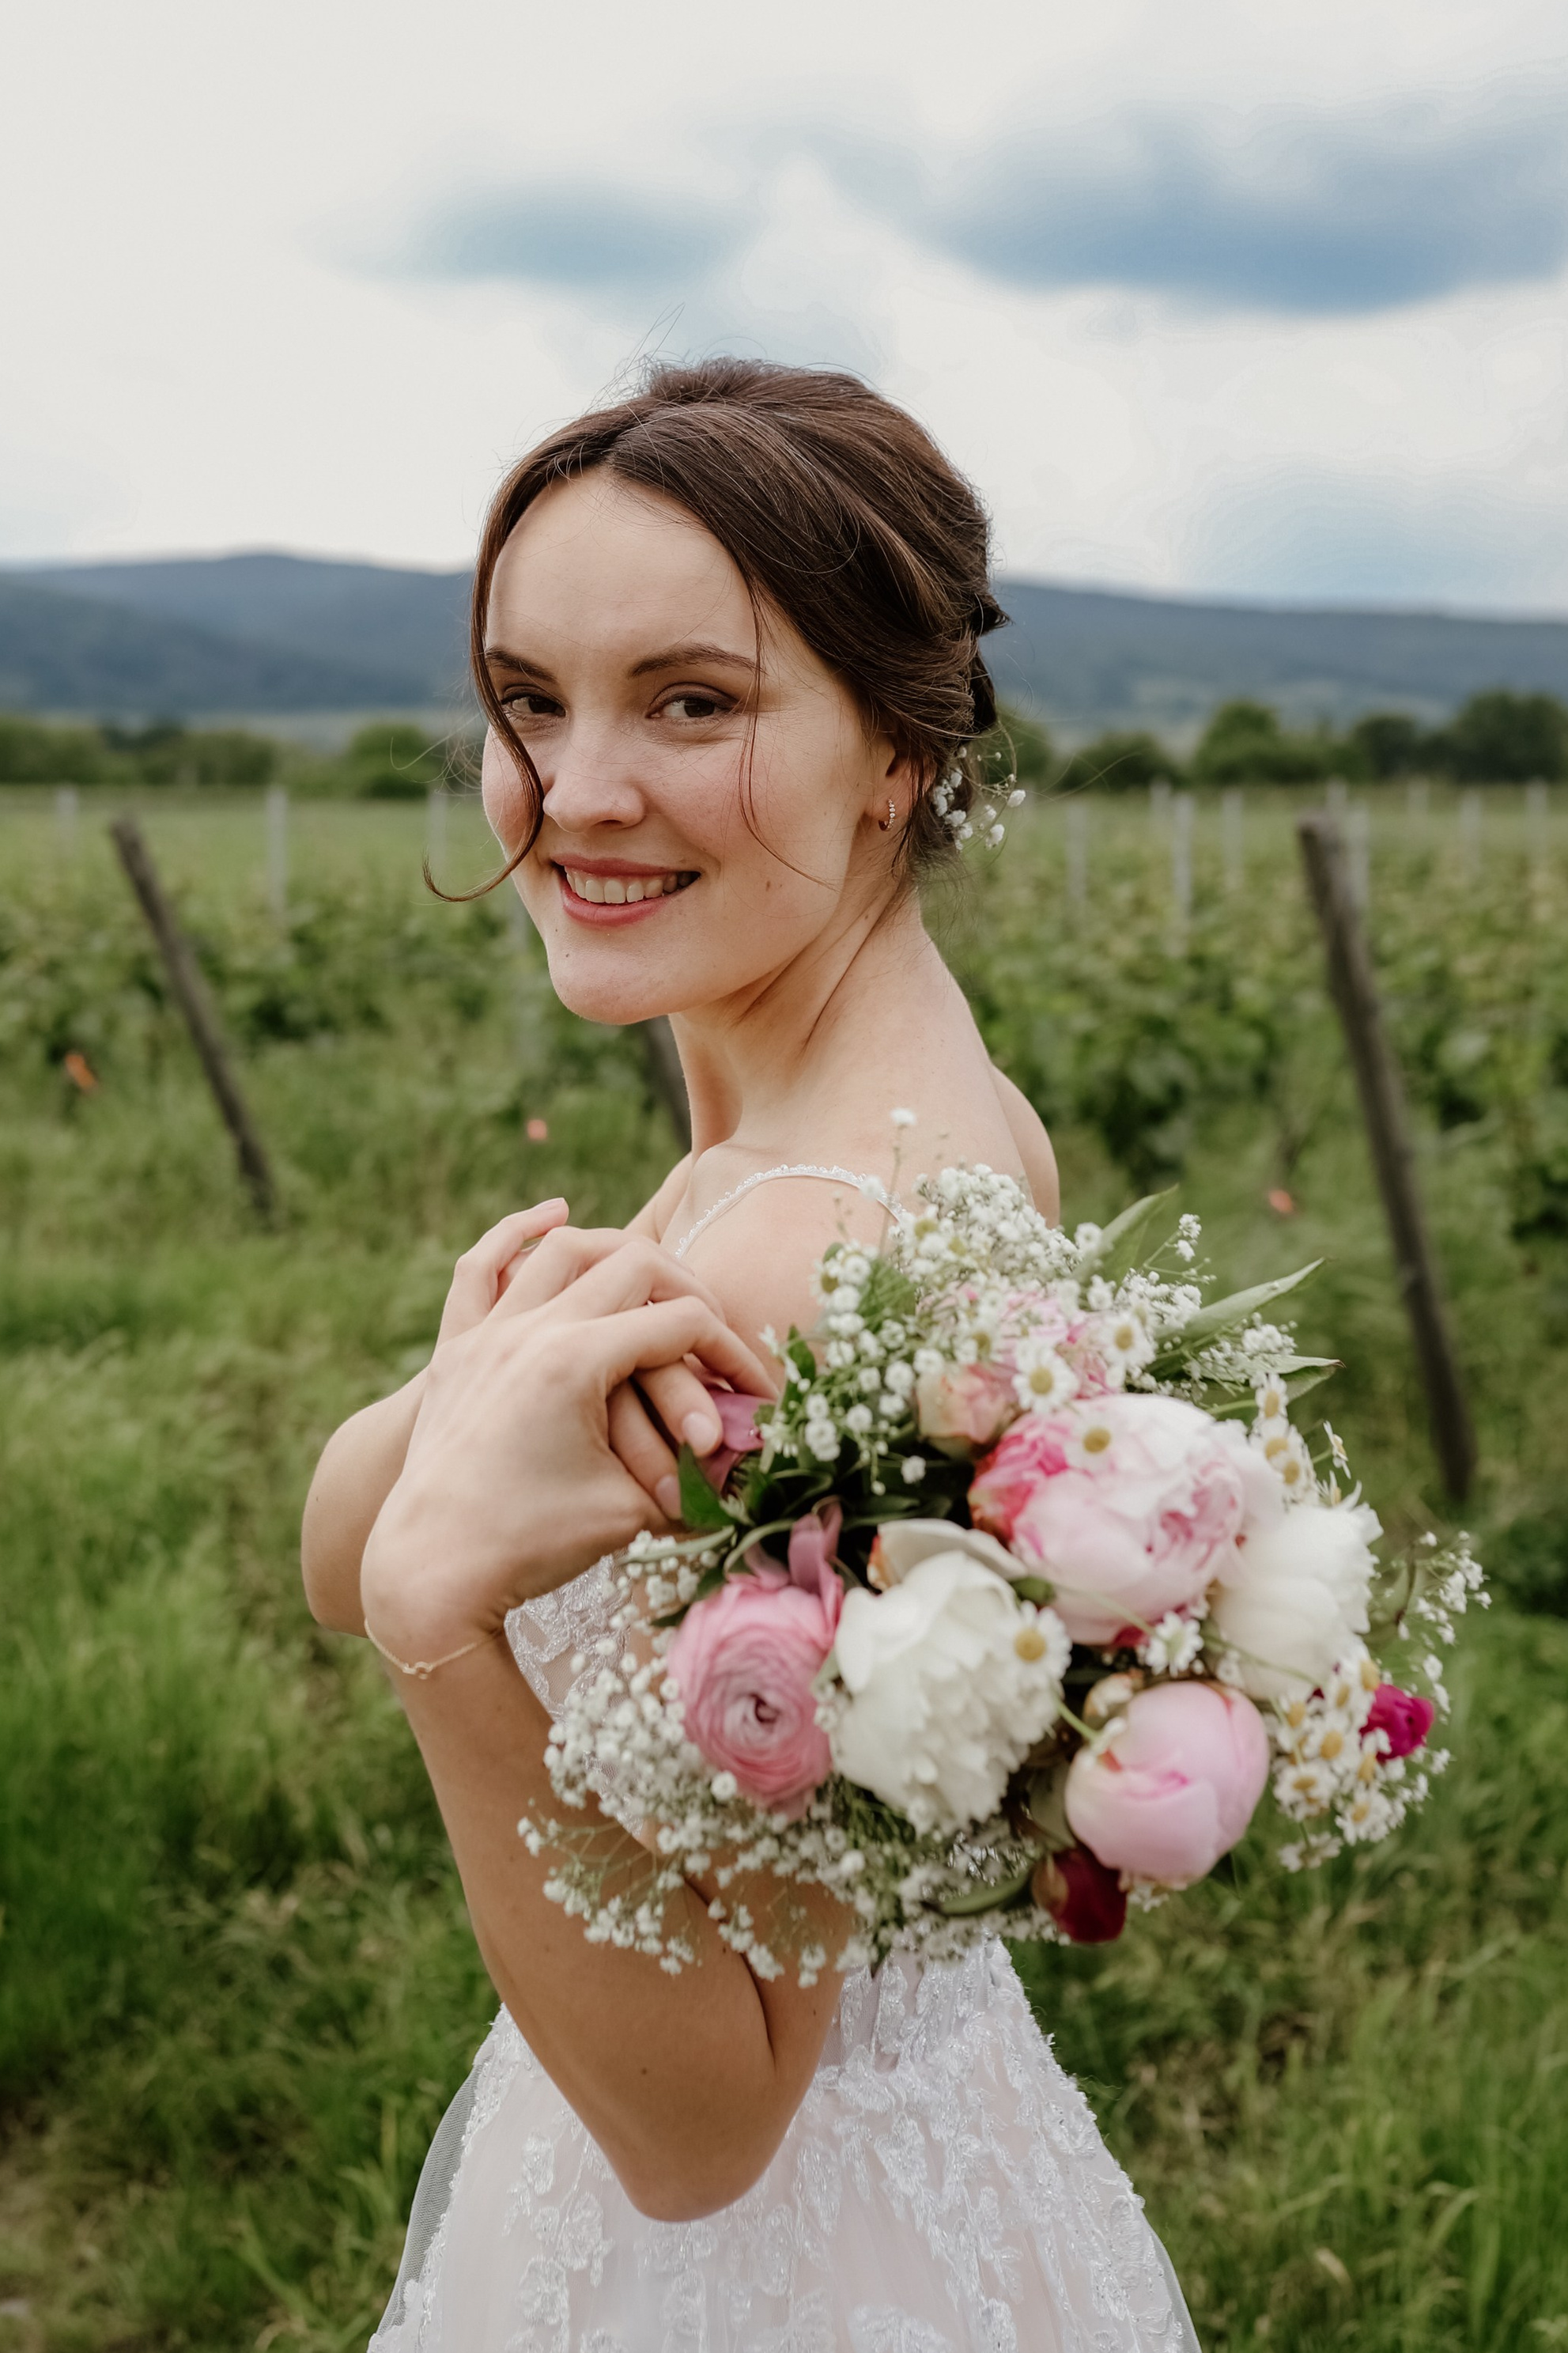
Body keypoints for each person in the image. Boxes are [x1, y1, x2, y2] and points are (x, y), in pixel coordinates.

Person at [302, 358, 1200, 2351]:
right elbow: (346, 1517)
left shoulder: (808, 1256)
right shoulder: (854, 1129)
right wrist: (446, 1435)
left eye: (689, 702)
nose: (573, 787)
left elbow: (709, 2121)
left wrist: (434, 1619)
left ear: (895, 744)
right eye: (528, 700)